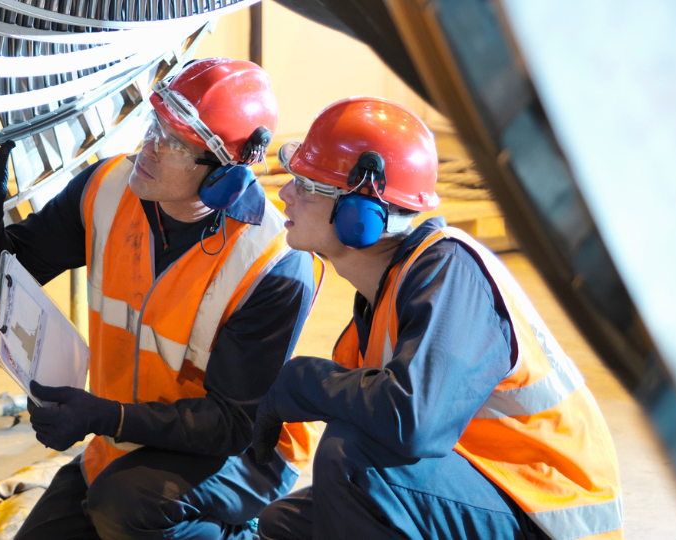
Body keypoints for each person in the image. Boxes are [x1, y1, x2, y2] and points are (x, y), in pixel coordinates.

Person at [0, 58, 326, 540]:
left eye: (173, 143)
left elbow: (230, 425)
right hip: (129, 441)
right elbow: (7, 279)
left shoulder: (273, 262)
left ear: (222, 175)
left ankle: (237, 532)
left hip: (240, 458)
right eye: (154, 126)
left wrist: (102, 415)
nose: (148, 147)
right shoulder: (108, 188)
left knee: (124, 509)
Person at [247, 97, 624, 540]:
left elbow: (412, 422)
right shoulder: (376, 311)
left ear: (360, 215)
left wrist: (303, 381)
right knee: (286, 526)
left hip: (551, 514)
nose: (285, 192)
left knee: (350, 460)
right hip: (495, 495)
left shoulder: (452, 273)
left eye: (308, 185)